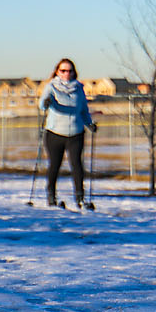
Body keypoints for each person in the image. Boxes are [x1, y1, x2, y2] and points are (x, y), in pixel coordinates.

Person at [38, 58, 96, 208]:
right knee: (55, 165)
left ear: (74, 72)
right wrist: (46, 103)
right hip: (55, 133)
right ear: (57, 72)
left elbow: (83, 109)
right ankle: (51, 196)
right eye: (63, 70)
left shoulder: (79, 88)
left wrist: (89, 123)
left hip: (76, 133)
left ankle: (80, 198)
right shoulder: (51, 87)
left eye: (69, 71)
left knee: (77, 165)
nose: (66, 73)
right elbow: (43, 103)